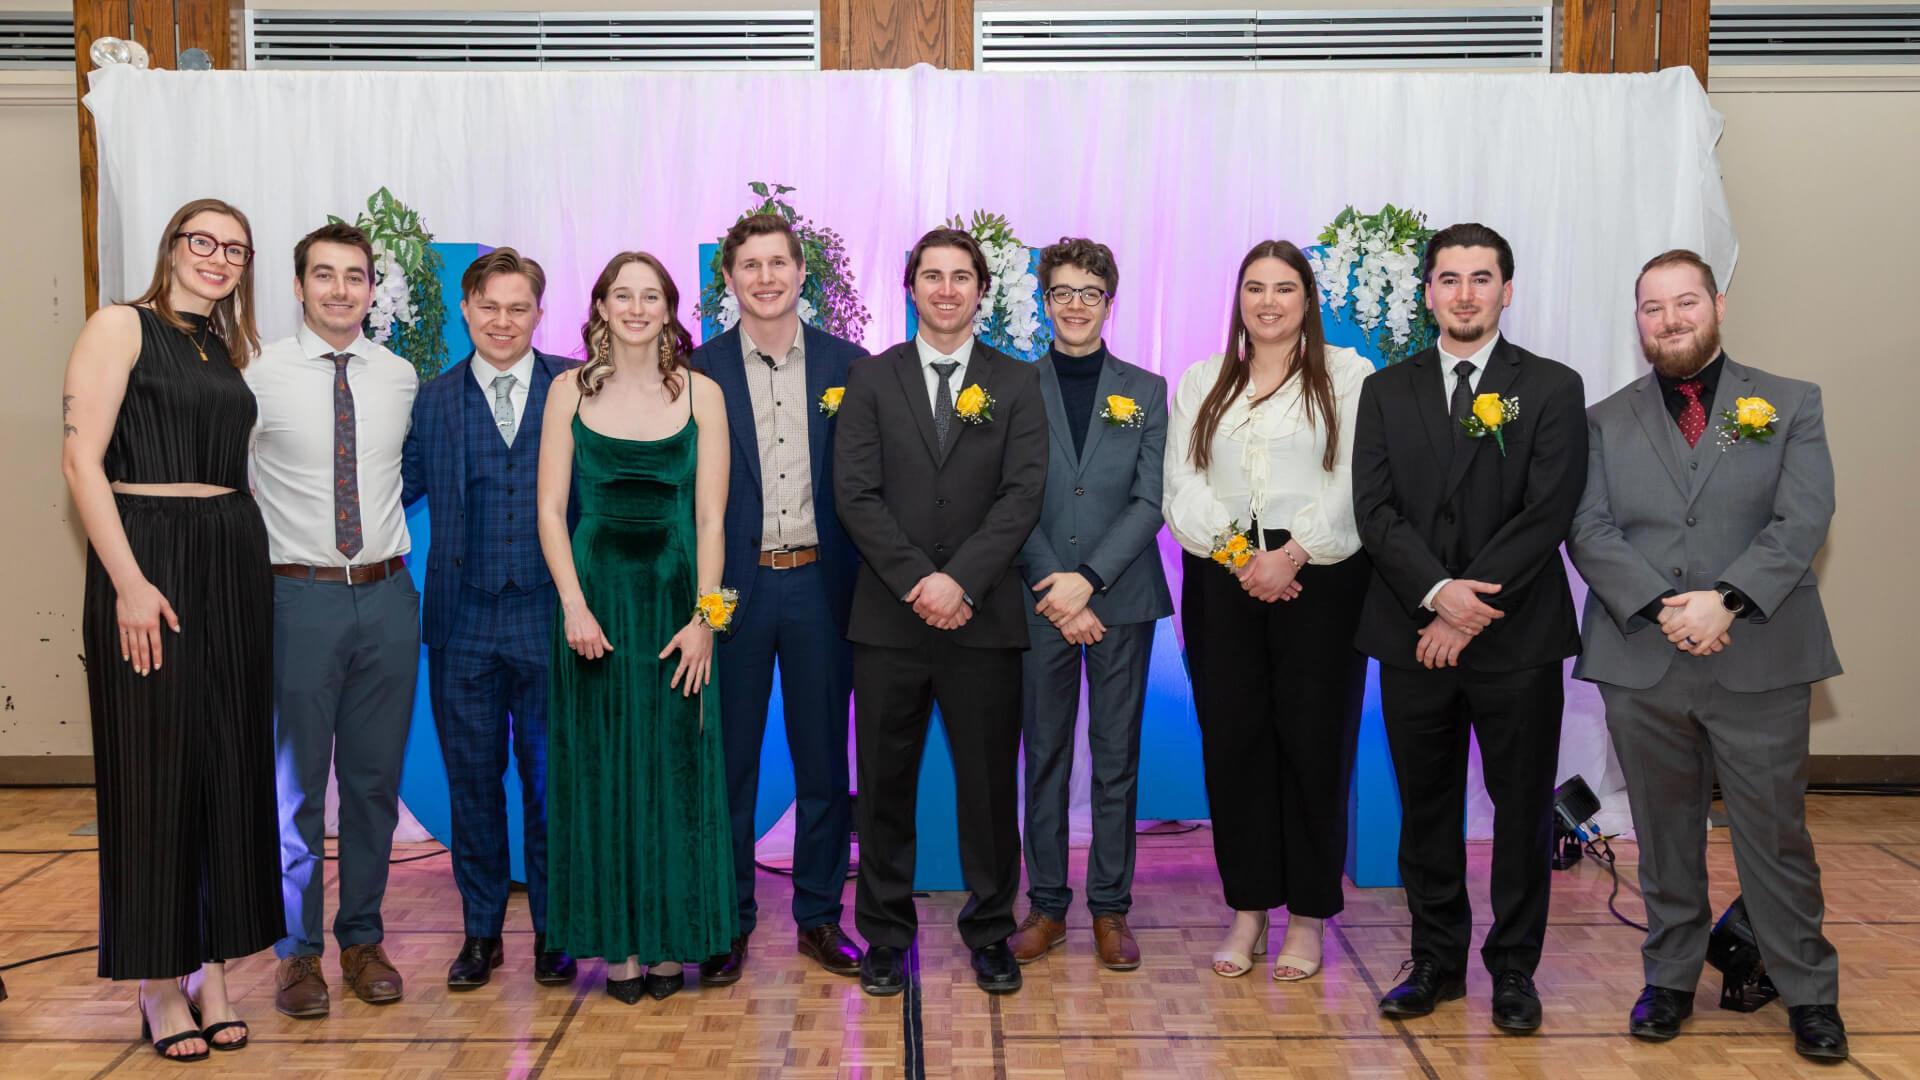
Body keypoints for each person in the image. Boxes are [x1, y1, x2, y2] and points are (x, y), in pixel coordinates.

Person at [1567, 249, 1846, 1060]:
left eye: (1685, 302)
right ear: (1638, 321)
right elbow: (1589, 528)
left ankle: (1808, 992)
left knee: (1776, 835)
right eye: (1652, 308)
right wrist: (1664, 607)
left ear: (1718, 305)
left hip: (1758, 651)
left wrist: (1724, 600)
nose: (1670, 320)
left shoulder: (1790, 403)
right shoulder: (1604, 419)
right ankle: (1670, 980)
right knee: (1662, 832)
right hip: (1641, 657)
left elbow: (1802, 519)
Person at [1350, 223, 1586, 1033]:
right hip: (1415, 634)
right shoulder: (1386, 390)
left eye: (1481, 278)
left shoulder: (1551, 387)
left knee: (1522, 809)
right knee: (1426, 808)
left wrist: (1468, 605)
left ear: (1506, 291)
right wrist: (1437, 595)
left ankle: (1515, 970)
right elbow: (1374, 513)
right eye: (1448, 279)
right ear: (1426, 293)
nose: (1465, 294)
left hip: (1515, 636)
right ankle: (1436, 961)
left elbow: (1547, 511)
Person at [61, 197, 279, 1060]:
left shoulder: (221, 348)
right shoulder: (121, 324)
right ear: (172, 247)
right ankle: (158, 983)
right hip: (145, 556)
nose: (219, 258)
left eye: (235, 249)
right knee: (152, 771)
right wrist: (127, 581)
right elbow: (81, 460)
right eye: (204, 241)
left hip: (230, 559)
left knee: (229, 766)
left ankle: (215, 971)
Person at [834, 227, 1048, 998]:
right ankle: (886, 936)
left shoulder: (1017, 383)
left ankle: (991, 931)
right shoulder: (871, 378)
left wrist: (959, 581)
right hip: (889, 622)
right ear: (910, 286)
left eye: (962, 277)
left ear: (981, 292)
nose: (947, 289)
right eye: (933, 276)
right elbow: (854, 494)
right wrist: (920, 582)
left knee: (989, 791)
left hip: (983, 620)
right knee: (884, 787)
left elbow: (1022, 496)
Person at [1163, 240, 1373, 983]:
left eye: (1285, 288)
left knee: (1314, 745)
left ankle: (1310, 917)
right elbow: (1180, 484)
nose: (1269, 301)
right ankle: (1249, 909)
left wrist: (1290, 555)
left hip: (1319, 576)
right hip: (1223, 578)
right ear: (1239, 299)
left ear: (1308, 299)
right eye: (1255, 287)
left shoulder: (1348, 376)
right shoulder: (1202, 380)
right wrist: (1237, 556)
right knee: (1235, 743)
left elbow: (1355, 479)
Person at [537, 251, 736, 1004]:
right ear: (601, 306)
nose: (637, 307)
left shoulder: (703, 395)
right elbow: (552, 511)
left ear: (669, 308)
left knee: (675, 770)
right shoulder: (566, 393)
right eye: (623, 294)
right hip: (596, 604)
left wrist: (706, 621)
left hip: (678, 598)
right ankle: (616, 945)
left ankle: (670, 942)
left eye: (650, 296)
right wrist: (573, 606)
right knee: (599, 769)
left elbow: (714, 517)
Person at [246, 221, 421, 1018]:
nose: (341, 291)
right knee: (297, 792)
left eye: (355, 276)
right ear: (298, 285)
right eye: (325, 276)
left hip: (388, 596)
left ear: (371, 287)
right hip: (300, 598)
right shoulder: (258, 375)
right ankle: (298, 954)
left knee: (375, 783)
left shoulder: (398, 376)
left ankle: (362, 938)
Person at [687, 214, 867, 985]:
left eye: (777, 264)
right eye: (749, 266)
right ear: (729, 279)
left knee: (824, 764)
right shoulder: (696, 371)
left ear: (802, 273)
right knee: (726, 764)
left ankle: (819, 918)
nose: (764, 277)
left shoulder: (849, 366)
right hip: (731, 596)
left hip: (824, 588)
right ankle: (725, 919)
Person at [401, 248, 577, 991]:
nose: (503, 321)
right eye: (489, 307)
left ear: (540, 312)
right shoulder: (432, 400)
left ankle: (554, 931)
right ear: (465, 311)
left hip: (549, 615)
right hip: (462, 624)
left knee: (550, 785)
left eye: (519, 307)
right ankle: (480, 934)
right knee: (472, 784)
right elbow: (393, 486)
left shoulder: (575, 386)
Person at [1008, 237, 1170, 972]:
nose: (1076, 305)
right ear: (1044, 304)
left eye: (1090, 293)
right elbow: (1008, 497)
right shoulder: (1013, 388)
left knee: (1115, 760)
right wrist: (1056, 584)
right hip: (1038, 600)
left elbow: (1151, 499)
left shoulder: (1148, 388)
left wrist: (1091, 580)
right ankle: (1045, 906)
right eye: (1062, 292)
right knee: (1043, 755)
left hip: (1122, 599)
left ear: (1111, 301)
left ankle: (1110, 908)